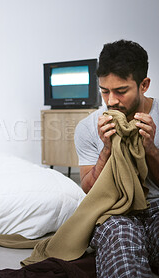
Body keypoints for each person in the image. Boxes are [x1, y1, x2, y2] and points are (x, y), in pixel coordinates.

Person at [74, 40, 159, 277]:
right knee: (122, 254)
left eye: (121, 91)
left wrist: (151, 149)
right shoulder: (87, 127)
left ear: (144, 85)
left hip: (157, 206)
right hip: (113, 213)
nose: (111, 101)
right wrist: (106, 151)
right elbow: (90, 192)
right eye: (104, 91)